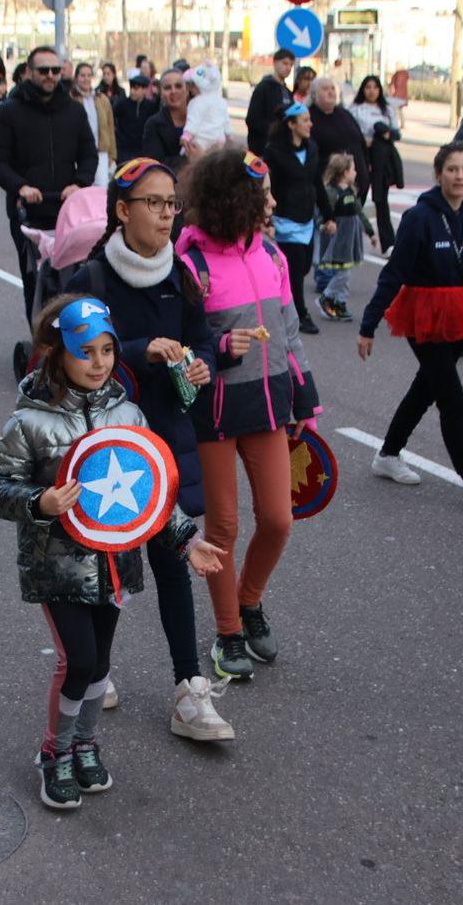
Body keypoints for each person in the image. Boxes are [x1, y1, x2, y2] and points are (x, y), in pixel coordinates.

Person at [0, 295, 225, 810]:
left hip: (115, 563)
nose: (99, 362)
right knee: (79, 661)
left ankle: (86, 744)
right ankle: (55, 752)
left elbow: (152, 496)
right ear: (57, 354)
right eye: (85, 352)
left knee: (99, 666)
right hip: (57, 566)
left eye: (107, 350)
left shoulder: (129, 413)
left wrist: (188, 540)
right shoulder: (30, 421)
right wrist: (39, 501)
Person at [67, 158, 234, 742]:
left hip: (166, 437)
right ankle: (96, 667)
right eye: (154, 203)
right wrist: (138, 350)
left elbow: (205, 337)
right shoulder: (90, 278)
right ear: (122, 210)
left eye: (172, 204)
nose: (167, 214)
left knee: (173, 561)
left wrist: (203, 362)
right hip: (105, 444)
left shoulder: (181, 273)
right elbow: (74, 353)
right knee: (104, 561)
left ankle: (189, 691)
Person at [175, 146, 321, 681]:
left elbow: (287, 335)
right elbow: (184, 350)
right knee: (225, 527)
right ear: (236, 200)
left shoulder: (274, 258)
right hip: (214, 410)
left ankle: (249, 601)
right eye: (264, 194)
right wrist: (220, 347)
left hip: (268, 403)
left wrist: (305, 396)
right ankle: (228, 631)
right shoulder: (190, 264)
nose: (274, 202)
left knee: (279, 521)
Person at [358, 142, 463, 506]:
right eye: (452, 169)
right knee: (451, 396)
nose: (459, 176)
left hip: (461, 314)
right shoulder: (420, 217)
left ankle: (387, 455)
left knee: (425, 389)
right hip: (423, 314)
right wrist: (368, 326)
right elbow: (394, 272)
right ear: (438, 173)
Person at [0, 45, 98, 318]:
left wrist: (79, 183)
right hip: (28, 211)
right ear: (28, 72)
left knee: (75, 279)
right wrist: (20, 186)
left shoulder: (73, 111)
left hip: (67, 211)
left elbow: (88, 155)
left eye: (55, 70)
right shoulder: (9, 112)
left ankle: (73, 337)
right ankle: (42, 340)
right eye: (43, 70)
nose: (50, 75)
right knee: (36, 280)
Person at [262, 102, 329, 334]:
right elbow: (268, 187)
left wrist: (328, 215)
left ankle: (284, 305)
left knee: (304, 267)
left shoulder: (312, 148)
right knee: (296, 268)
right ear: (291, 124)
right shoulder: (274, 151)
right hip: (286, 219)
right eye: (305, 120)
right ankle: (300, 314)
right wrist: (267, 219)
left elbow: (317, 183)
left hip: (307, 219)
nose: (310, 124)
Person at [314, 152, 375, 322]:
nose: (356, 172)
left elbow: (359, 213)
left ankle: (339, 302)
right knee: (343, 274)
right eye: (353, 169)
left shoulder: (350, 191)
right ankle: (327, 296)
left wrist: (370, 232)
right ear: (344, 172)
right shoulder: (331, 193)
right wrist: (323, 225)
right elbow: (323, 213)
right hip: (338, 239)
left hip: (350, 238)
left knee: (346, 272)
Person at [350, 75, 402, 253]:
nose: (371, 91)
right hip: (361, 155)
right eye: (368, 87)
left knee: (381, 200)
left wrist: (386, 134)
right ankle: (350, 239)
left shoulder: (387, 109)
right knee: (358, 196)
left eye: (375, 87)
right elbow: (351, 132)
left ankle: (388, 243)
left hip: (383, 157)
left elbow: (396, 133)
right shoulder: (356, 109)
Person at [73, 62, 116, 186]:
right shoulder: (71, 99)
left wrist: (112, 154)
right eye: (82, 75)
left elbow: (109, 127)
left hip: (101, 151)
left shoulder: (102, 99)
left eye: (88, 75)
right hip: (79, 152)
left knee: (102, 186)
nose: (86, 79)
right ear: (76, 77)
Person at [246, 48, 295, 154]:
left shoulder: (287, 91)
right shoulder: (263, 88)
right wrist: (275, 130)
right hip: (262, 149)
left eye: (291, 64)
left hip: (282, 149)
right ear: (275, 63)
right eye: (285, 63)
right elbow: (252, 120)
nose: (288, 68)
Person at [141, 68, 190, 173]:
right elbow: (155, 164)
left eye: (178, 86)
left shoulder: (203, 119)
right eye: (167, 88)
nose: (173, 91)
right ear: (161, 93)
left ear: (187, 90)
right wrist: (191, 159)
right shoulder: (153, 124)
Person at [112, 73, 156, 166]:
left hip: (143, 150)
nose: (132, 91)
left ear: (144, 90)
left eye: (136, 88)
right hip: (124, 150)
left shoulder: (151, 106)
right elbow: (111, 117)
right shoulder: (122, 104)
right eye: (131, 88)